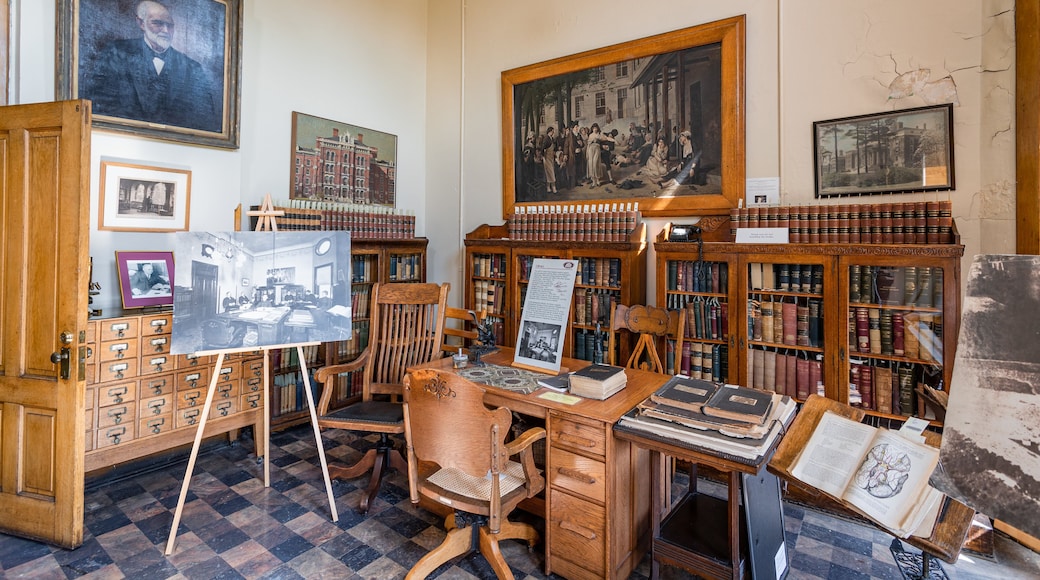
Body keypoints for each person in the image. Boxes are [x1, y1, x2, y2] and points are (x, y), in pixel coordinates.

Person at [83, 1, 221, 132]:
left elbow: (205, 120)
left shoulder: (193, 69)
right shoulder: (116, 52)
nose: (165, 30)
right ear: (141, 23)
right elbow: (99, 104)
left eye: (170, 25)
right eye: (157, 23)